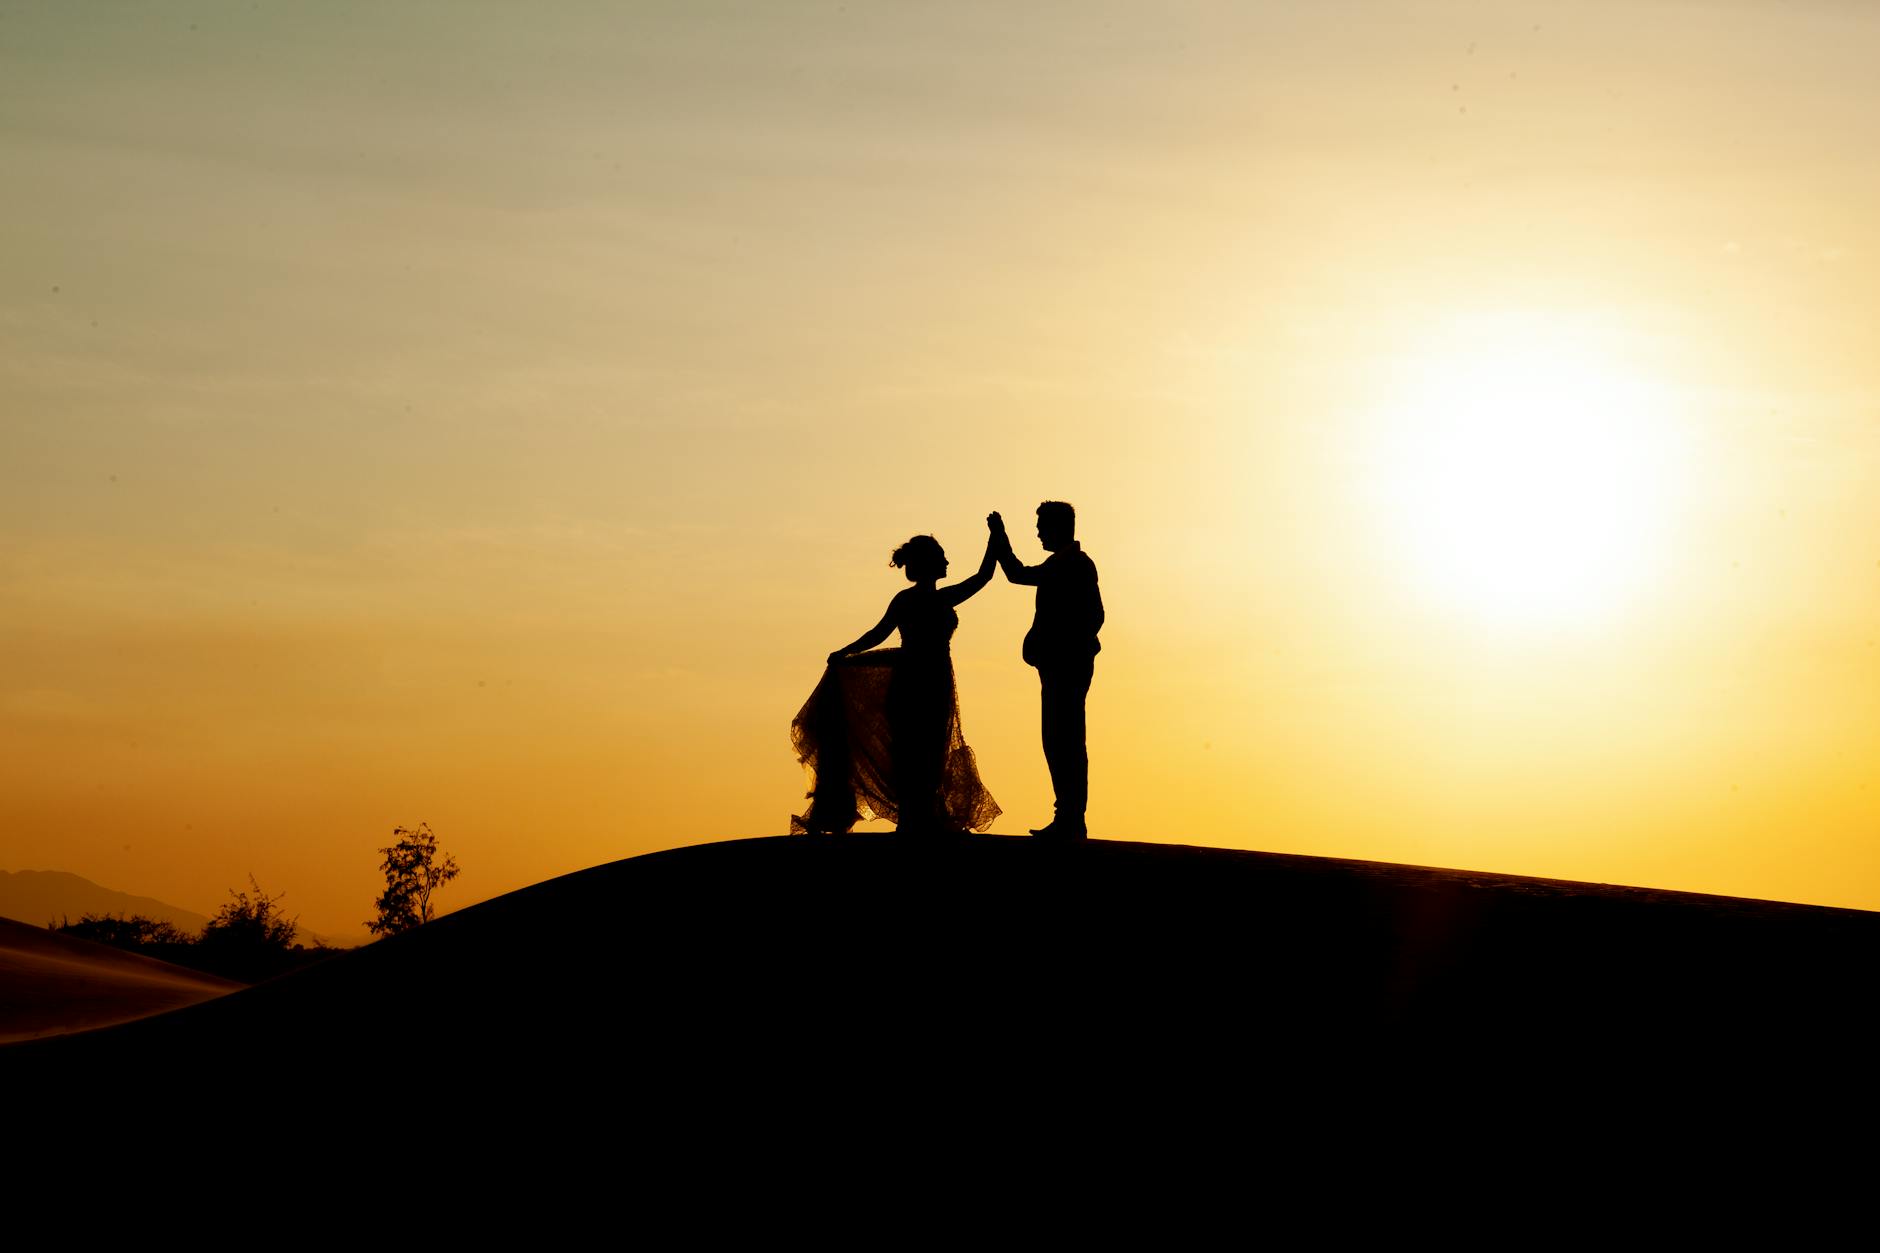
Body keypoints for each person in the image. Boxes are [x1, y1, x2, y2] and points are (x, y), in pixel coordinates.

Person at [790, 530, 1002, 835]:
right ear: (930, 563)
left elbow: (983, 577)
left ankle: (919, 817)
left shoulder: (932, 598)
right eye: (942, 557)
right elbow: (879, 633)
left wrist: (995, 542)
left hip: (932, 683)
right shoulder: (922, 600)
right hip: (917, 682)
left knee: (928, 750)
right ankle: (915, 819)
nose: (947, 561)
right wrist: (846, 652)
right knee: (915, 750)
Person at [988, 503, 1102, 839]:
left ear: (1058, 527)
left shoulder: (1076, 564)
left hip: (1067, 664)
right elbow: (1017, 574)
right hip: (1057, 664)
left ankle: (1070, 818)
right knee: (1056, 739)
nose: (1037, 533)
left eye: (1041, 526)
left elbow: (1095, 616)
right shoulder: (1060, 564)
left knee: (1064, 739)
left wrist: (1000, 539)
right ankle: (1066, 815)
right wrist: (1000, 540)